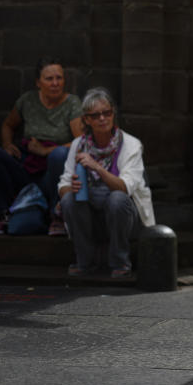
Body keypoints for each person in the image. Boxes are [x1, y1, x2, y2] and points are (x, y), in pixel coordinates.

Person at [58, 87, 155, 278]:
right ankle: (84, 261)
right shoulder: (78, 144)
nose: (102, 119)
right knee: (69, 199)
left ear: (113, 114)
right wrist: (72, 187)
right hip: (91, 214)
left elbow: (125, 188)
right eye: (95, 116)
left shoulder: (130, 144)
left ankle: (120, 261)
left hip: (123, 216)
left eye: (107, 113)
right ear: (86, 120)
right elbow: (63, 184)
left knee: (117, 198)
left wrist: (97, 168)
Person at [0, 56, 83, 235]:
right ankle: (5, 214)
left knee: (58, 155)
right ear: (38, 82)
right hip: (26, 167)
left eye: (59, 78)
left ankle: (56, 215)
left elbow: (80, 142)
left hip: (52, 172)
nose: (55, 83)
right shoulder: (28, 101)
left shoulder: (72, 104)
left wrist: (45, 150)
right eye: (49, 79)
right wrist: (7, 143)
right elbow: (8, 125)